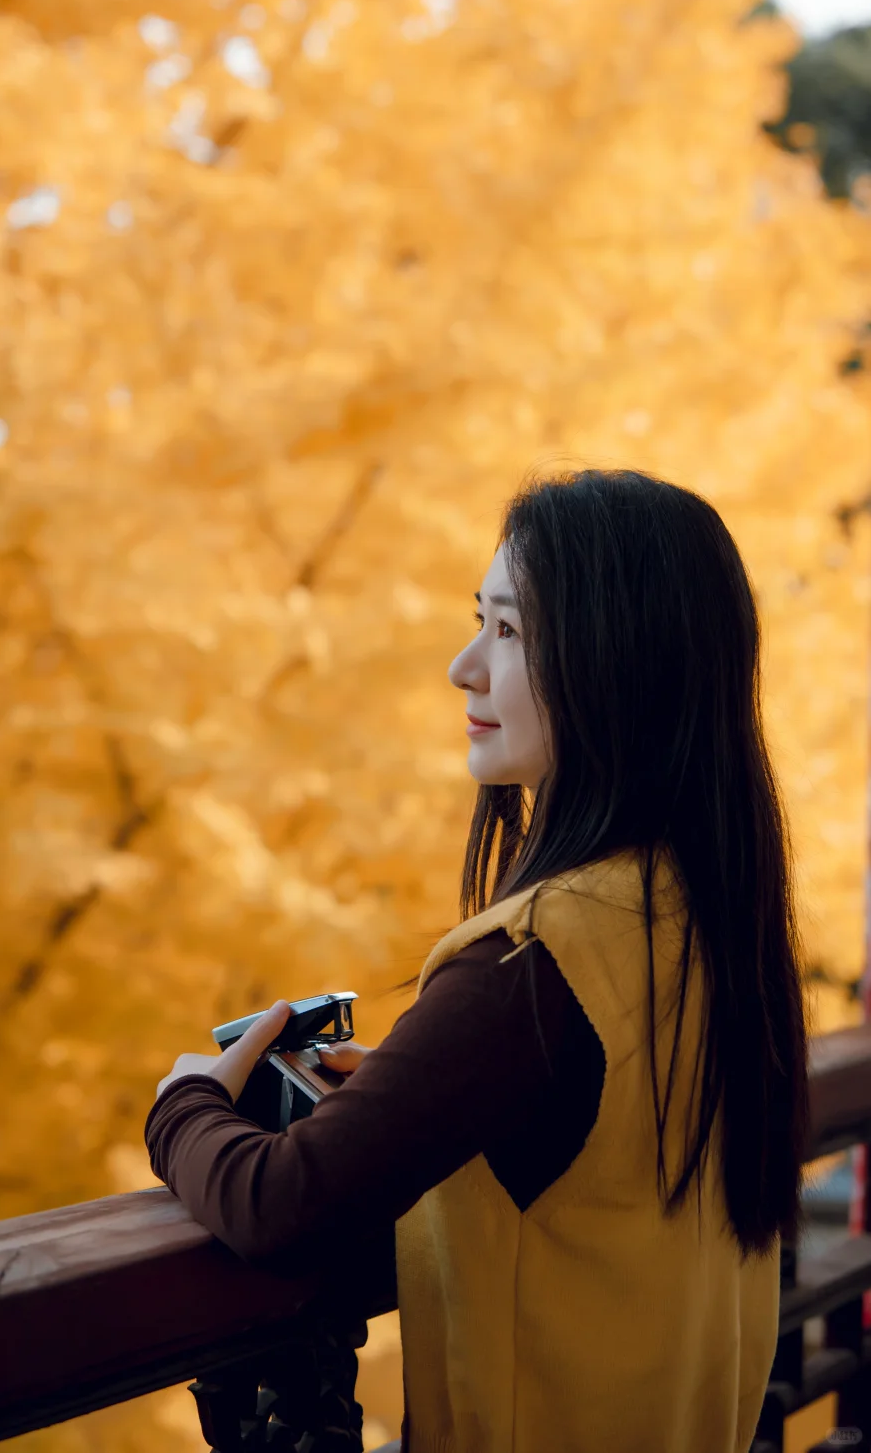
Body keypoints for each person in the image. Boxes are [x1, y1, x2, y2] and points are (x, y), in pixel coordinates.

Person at [145, 468, 808, 1453]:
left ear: (610, 661)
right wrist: (416, 1089)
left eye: (506, 630)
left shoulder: (537, 960)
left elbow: (283, 1205)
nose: (465, 666)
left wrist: (185, 1103)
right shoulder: (708, 914)